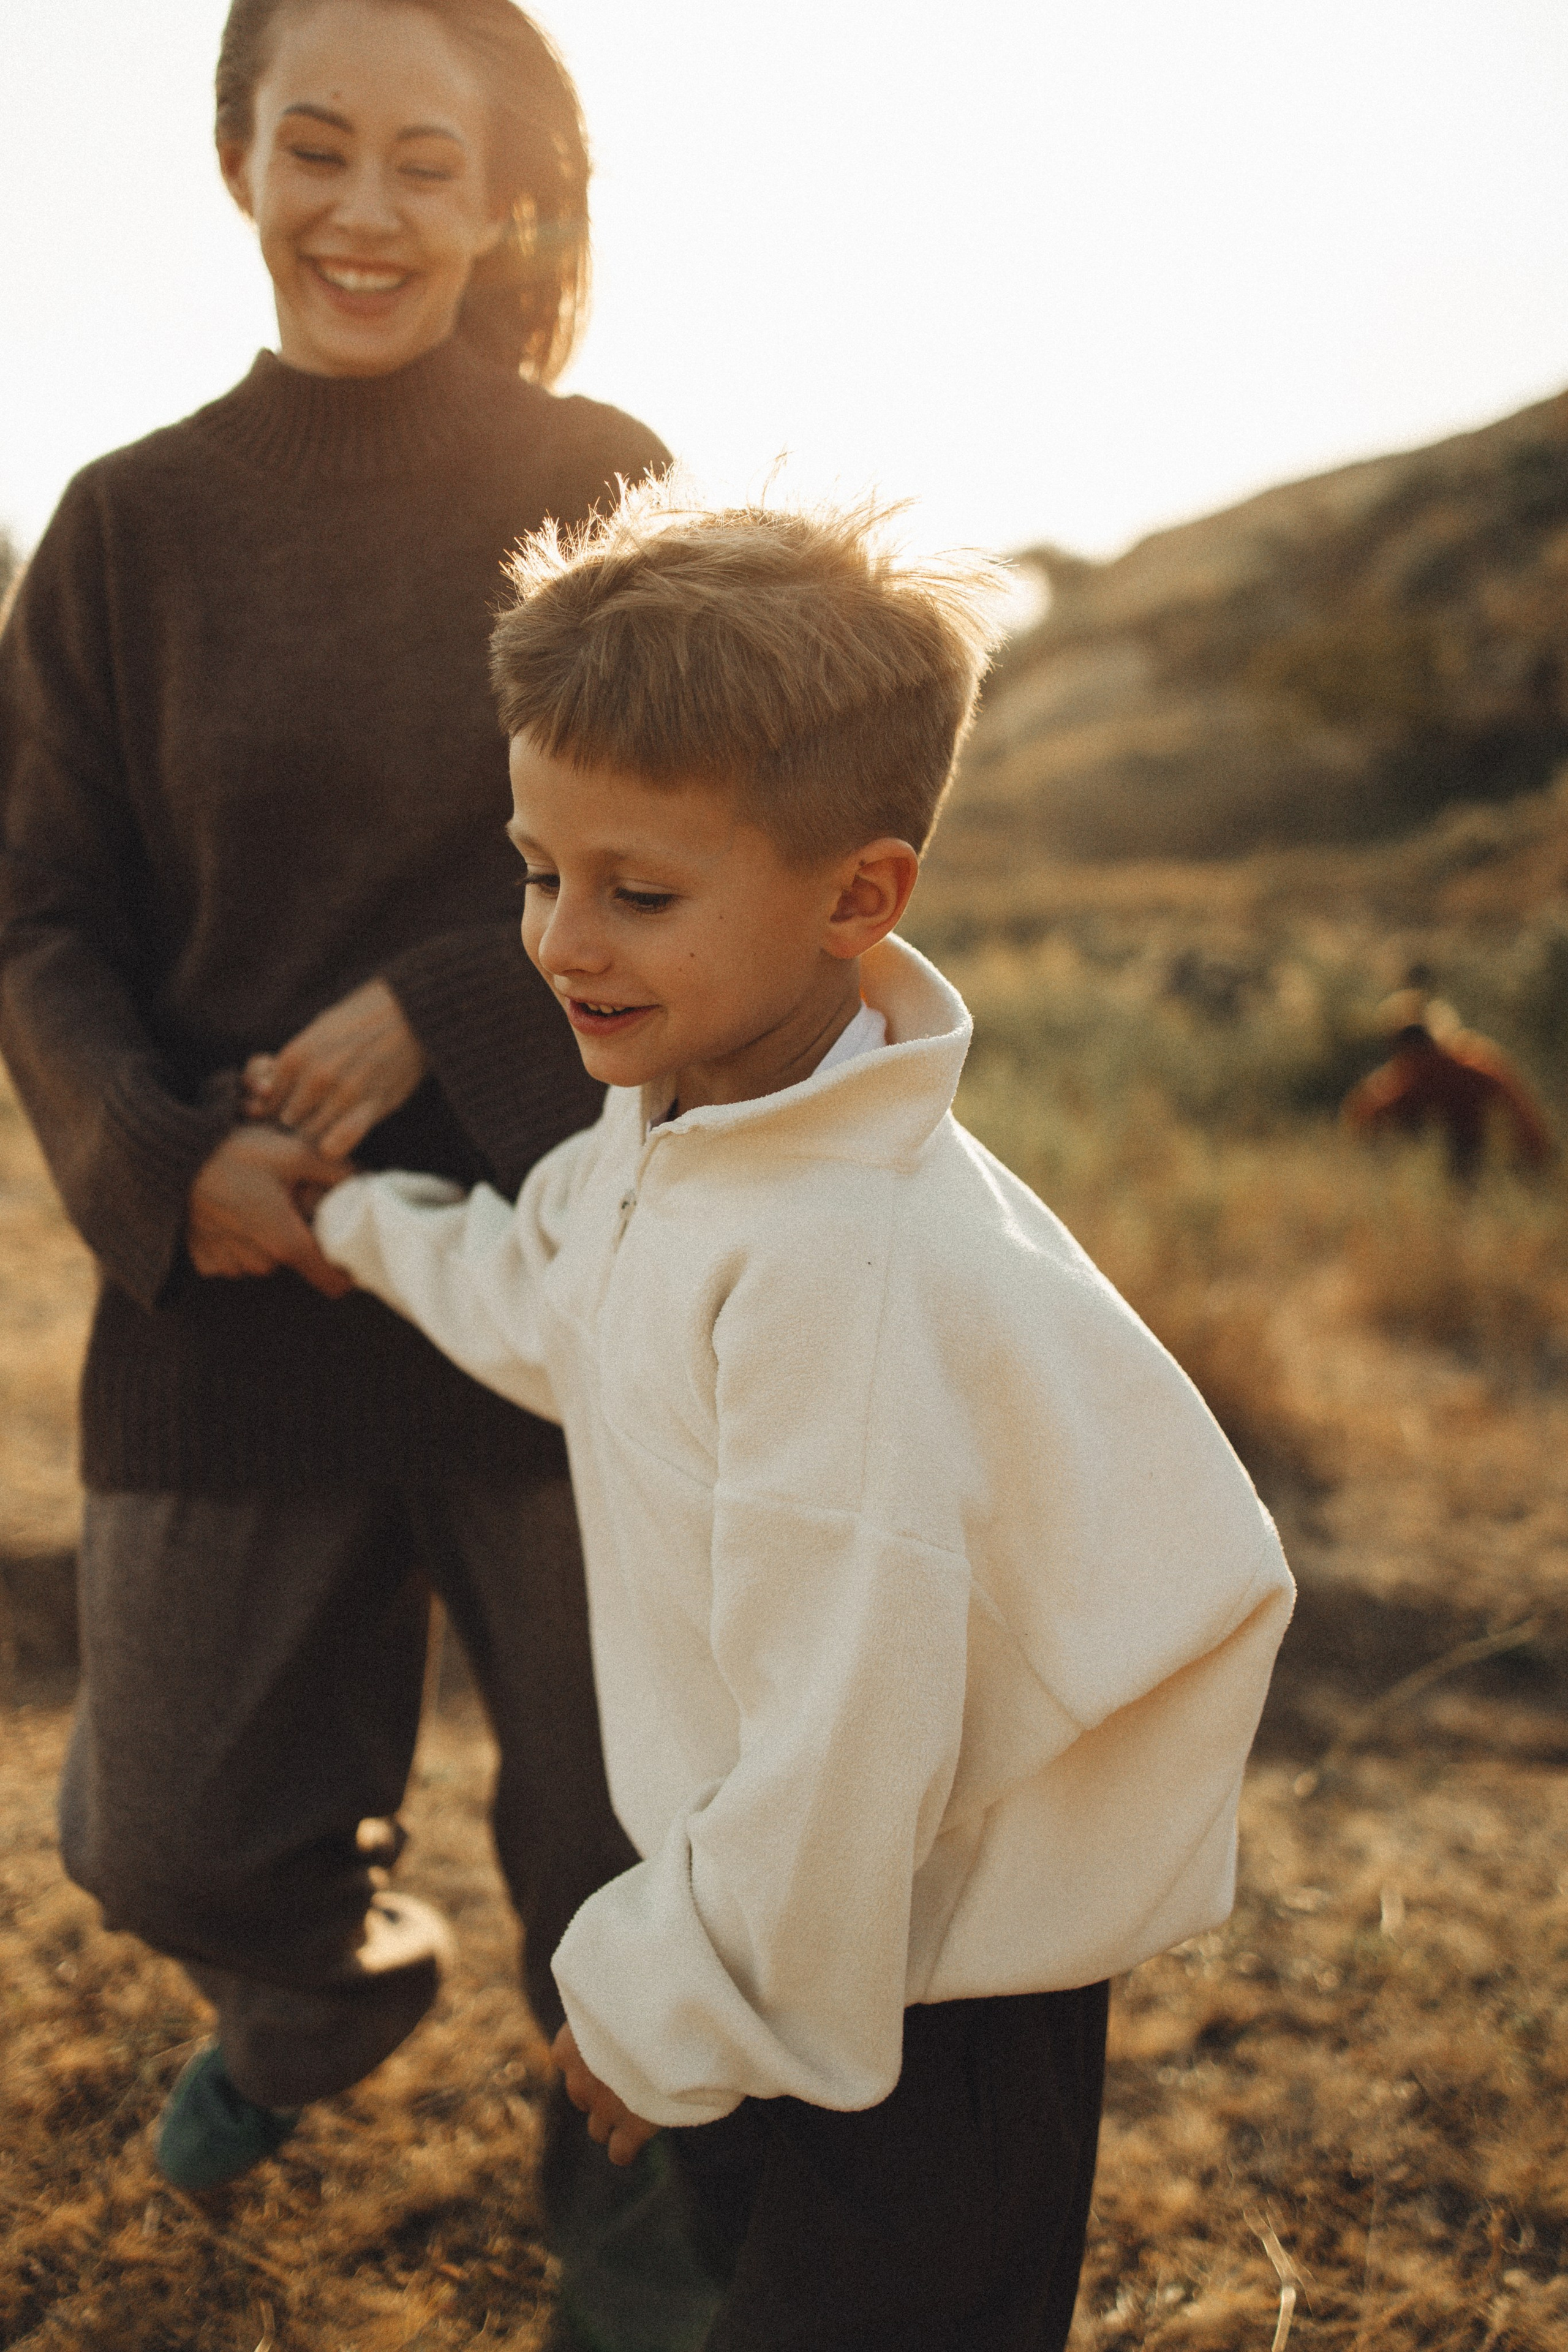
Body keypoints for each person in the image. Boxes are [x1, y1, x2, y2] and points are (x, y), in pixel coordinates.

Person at [313, 485, 1298, 2352]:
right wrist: (355, 1228)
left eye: (639, 893)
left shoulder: (846, 1269)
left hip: (931, 1989)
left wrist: (665, 1997)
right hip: (784, 1931)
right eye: (537, 870)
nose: (561, 941)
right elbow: (554, 1301)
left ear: (857, 897)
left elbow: (851, 1730)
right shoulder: (672, 1122)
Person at [0, 0, 671, 2212]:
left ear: (500, 202)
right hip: (242, 1271)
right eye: (316, 147)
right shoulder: (123, 529)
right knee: (162, 1834)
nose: (361, 210)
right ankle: (313, 2004)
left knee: (623, 1823)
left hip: (565, 1255)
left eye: (421, 163)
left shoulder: (601, 477)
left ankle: (632, 2195)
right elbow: (37, 911)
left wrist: (446, 999)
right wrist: (165, 1158)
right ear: (236, 162)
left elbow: (704, 843)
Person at [1341, 988, 1555, 1180]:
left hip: (1480, 1158)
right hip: (1427, 1165)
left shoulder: (1473, 1065)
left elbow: (1521, 1109)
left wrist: (1535, 1159)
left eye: (1422, 1043)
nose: (1418, 1055)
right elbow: (1360, 1120)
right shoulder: (1401, 1081)